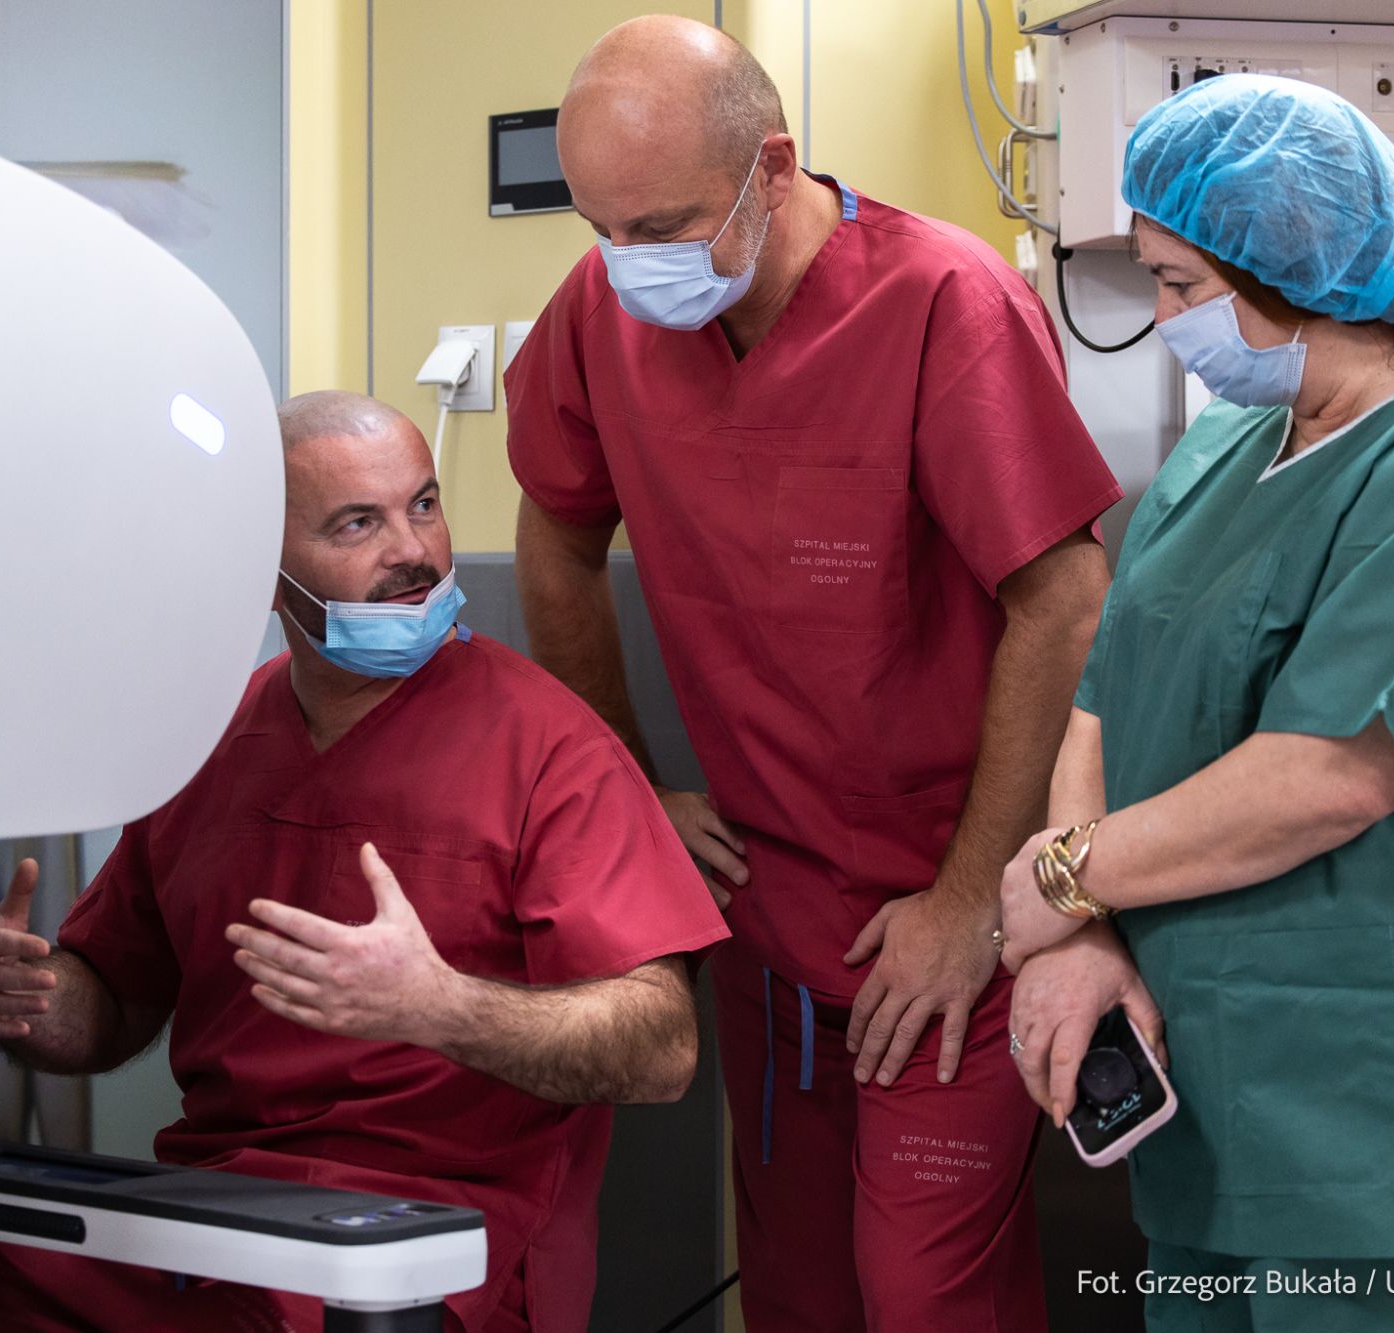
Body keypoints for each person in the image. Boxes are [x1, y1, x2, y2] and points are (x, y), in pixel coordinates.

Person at [0, 390, 729, 1333]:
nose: (414, 551)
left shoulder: (549, 748)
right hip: (206, 1228)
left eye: (423, 504)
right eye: (358, 523)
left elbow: (662, 1048)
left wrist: (437, 1005)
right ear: (259, 567)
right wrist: (31, 1000)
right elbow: (113, 1005)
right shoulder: (211, 743)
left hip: (427, 1251)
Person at [506, 16, 1121, 1329]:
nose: (628, 267)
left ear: (772, 166)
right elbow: (554, 538)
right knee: (796, 1293)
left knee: (923, 1295)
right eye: (599, 229)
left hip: (962, 911)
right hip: (768, 924)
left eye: (662, 226)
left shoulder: (943, 303)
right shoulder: (598, 314)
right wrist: (629, 785)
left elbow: (1064, 596)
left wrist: (969, 902)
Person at [998, 74, 1394, 1332]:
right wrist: (1081, 926)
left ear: (1302, 271)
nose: (1163, 320)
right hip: (1213, 1118)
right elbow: (1107, 698)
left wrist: (1058, 880)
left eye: (1179, 287)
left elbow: (1329, 772)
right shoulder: (1223, 445)